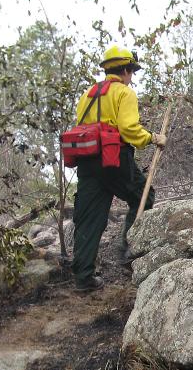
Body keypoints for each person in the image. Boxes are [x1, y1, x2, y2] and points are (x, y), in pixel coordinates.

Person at [71, 45, 167, 292]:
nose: (131, 76)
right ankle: (129, 251)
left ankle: (83, 278)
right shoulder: (124, 93)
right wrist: (153, 138)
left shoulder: (88, 94)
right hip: (113, 159)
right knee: (144, 196)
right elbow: (129, 129)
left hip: (86, 160)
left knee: (90, 216)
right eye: (131, 71)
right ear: (125, 70)